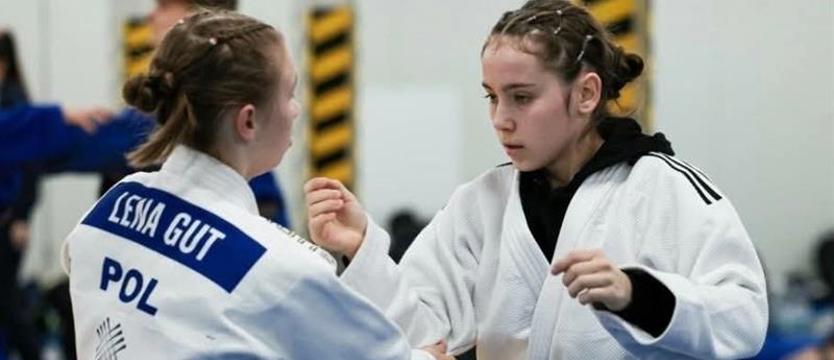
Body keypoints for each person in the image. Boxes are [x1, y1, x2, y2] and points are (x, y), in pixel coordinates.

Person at [304, 0, 768, 358]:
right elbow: (423, 332)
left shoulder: (664, 188)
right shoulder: (481, 203)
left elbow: (743, 318)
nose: (501, 120)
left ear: (586, 93)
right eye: (492, 97)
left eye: (521, 97)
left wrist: (636, 294)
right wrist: (362, 249)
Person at [61, 10, 451, 359]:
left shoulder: (108, 209)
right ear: (247, 121)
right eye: (290, 92)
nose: (296, 109)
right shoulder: (281, 268)